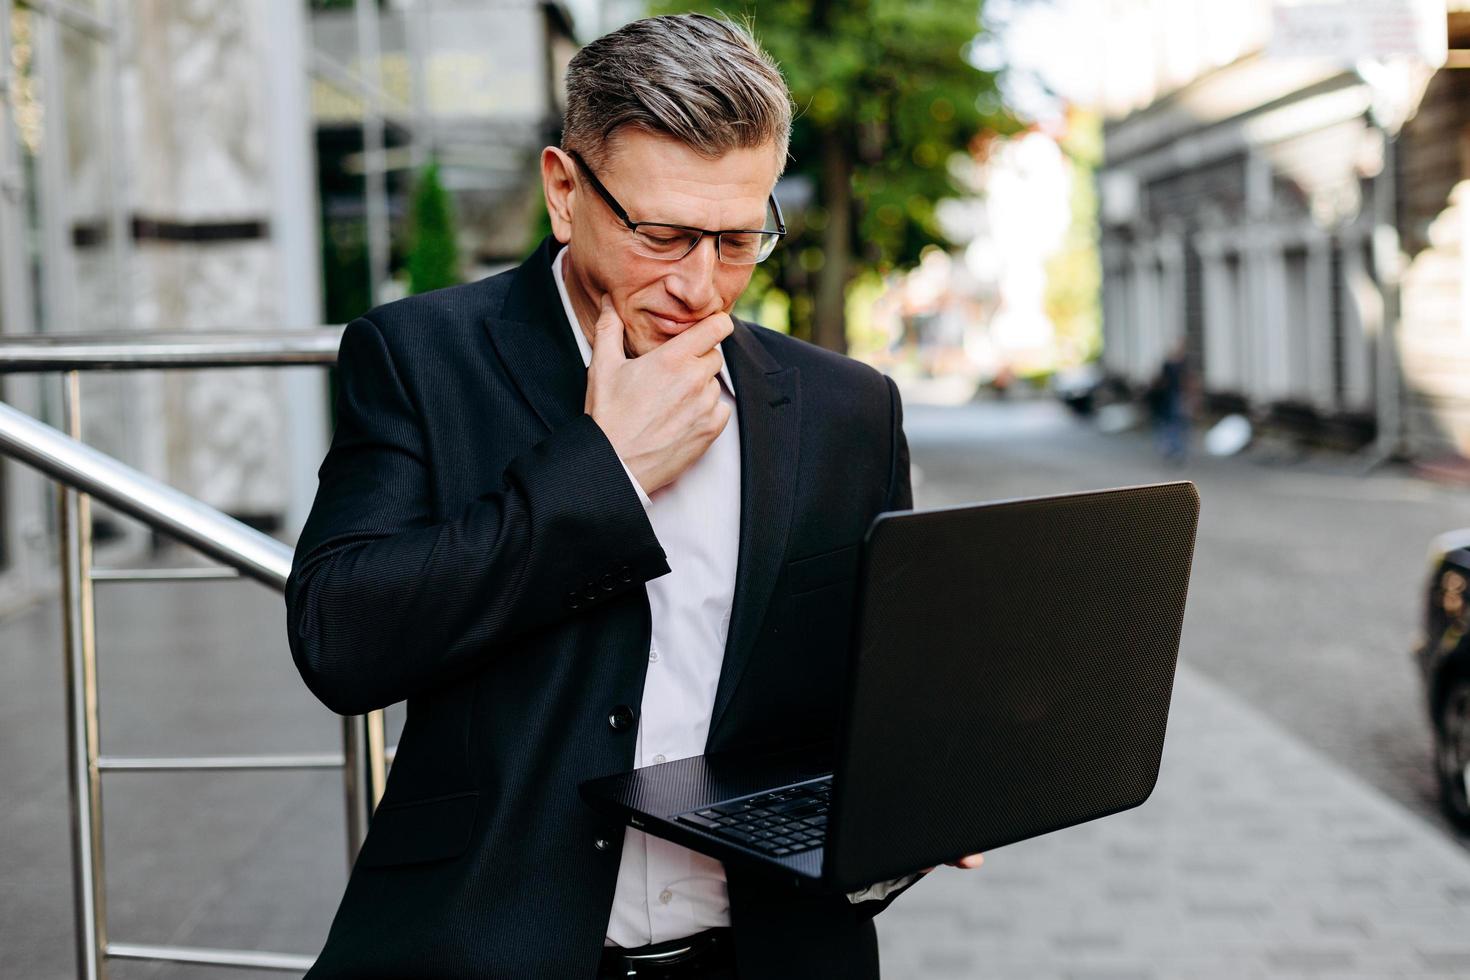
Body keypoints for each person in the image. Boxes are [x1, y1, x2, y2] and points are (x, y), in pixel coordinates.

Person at [284, 15, 980, 979]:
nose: (699, 286)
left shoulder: (847, 407)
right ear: (565, 192)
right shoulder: (419, 358)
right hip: (492, 947)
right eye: (662, 235)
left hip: (770, 953)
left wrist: (922, 777)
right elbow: (340, 640)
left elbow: (873, 672)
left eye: (738, 239)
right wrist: (601, 473)